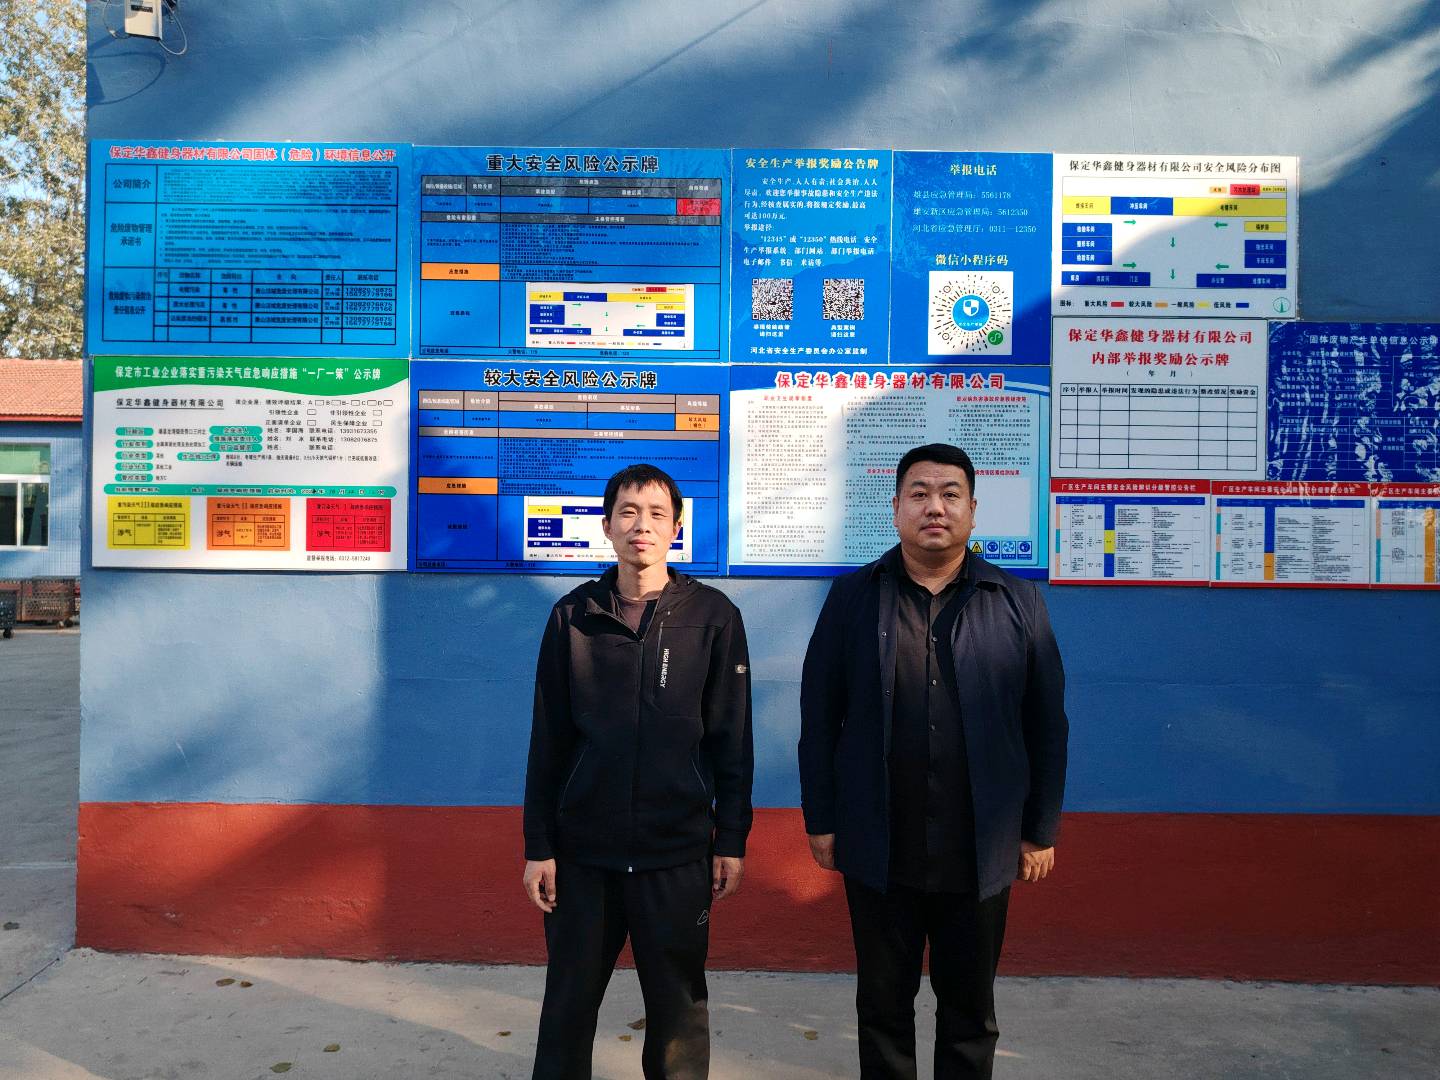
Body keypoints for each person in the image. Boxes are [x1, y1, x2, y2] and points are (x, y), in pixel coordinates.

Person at [798, 443, 1068, 1079]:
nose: (935, 507)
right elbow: (820, 716)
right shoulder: (853, 597)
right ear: (896, 509)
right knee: (882, 1007)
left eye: (950, 494)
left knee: (970, 1009)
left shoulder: (1016, 600)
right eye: (919, 494)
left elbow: (1046, 723)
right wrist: (822, 820)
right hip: (880, 842)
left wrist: (1040, 829)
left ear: (973, 510)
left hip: (979, 845)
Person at [523, 463, 754, 1080]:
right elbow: (548, 740)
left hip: (675, 852)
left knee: (679, 1014)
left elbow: (732, 740)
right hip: (584, 854)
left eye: (656, 514)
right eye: (627, 512)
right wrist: (539, 846)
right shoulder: (573, 617)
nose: (641, 526)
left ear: (676, 528)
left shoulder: (713, 616)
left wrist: (731, 838)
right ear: (607, 526)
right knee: (567, 1008)